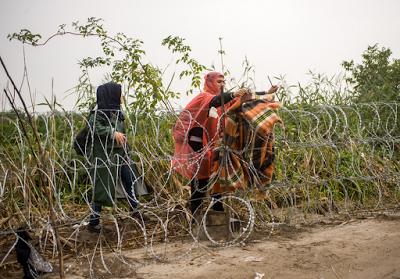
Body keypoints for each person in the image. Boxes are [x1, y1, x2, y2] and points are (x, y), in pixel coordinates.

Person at [172, 72, 248, 215]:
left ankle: (217, 211)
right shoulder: (205, 97)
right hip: (199, 146)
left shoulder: (224, 100)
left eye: (224, 82)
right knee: (200, 179)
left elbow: (238, 102)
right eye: (219, 82)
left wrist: (265, 94)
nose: (223, 84)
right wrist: (232, 95)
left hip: (215, 145)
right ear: (210, 82)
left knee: (217, 177)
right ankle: (196, 214)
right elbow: (215, 101)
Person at [86, 83, 150, 233]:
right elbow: (93, 126)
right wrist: (111, 132)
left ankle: (134, 212)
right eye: (120, 94)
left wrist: (128, 153)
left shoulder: (117, 112)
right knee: (102, 188)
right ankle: (93, 223)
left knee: (131, 179)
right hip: (104, 157)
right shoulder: (99, 112)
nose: (122, 96)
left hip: (121, 155)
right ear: (112, 95)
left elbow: (123, 135)